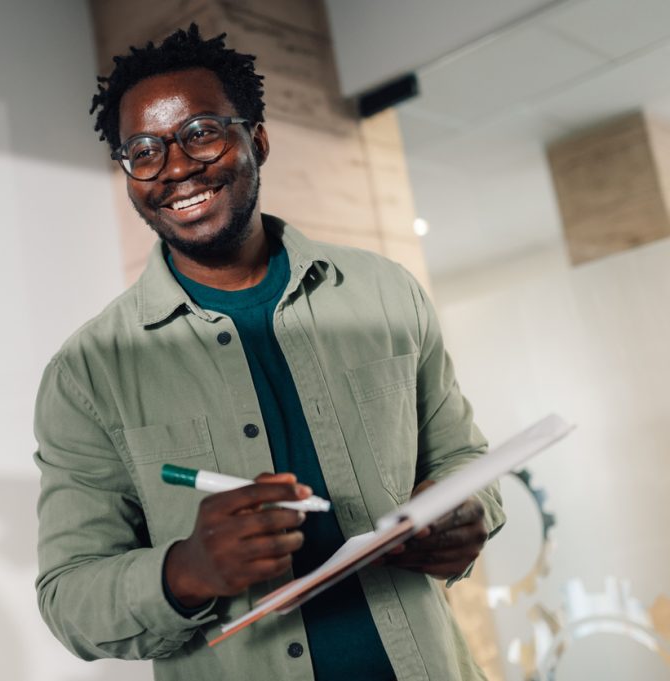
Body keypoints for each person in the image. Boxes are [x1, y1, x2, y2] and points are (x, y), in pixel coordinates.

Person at [33, 24, 504, 681]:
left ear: (256, 138)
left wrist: (466, 511)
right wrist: (187, 570)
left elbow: (463, 458)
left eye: (200, 131)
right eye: (142, 150)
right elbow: (67, 597)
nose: (174, 167)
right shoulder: (88, 373)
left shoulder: (384, 294)